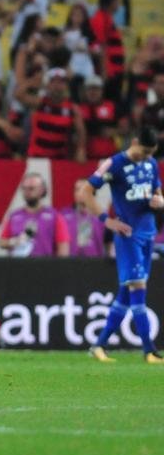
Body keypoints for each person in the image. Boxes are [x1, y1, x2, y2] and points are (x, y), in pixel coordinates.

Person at [84, 126, 164, 363]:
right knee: (138, 290)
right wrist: (106, 221)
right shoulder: (114, 163)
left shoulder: (150, 164)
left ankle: (99, 346)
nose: (147, 156)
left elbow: (157, 190)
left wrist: (159, 200)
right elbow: (87, 192)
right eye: (144, 151)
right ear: (135, 141)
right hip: (127, 235)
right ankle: (149, 350)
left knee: (126, 295)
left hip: (148, 234)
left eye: (152, 153)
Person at [0, 173, 70, 257]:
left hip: (44, 266)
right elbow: (1, 242)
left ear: (42, 190)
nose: (27, 192)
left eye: (31, 188)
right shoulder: (15, 216)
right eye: (24, 188)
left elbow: (63, 247)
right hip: (18, 266)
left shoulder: (54, 216)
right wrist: (14, 241)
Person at [60, 178, 107, 258]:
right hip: (70, 263)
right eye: (77, 190)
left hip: (96, 263)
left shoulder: (102, 215)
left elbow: (109, 242)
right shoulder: (64, 215)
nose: (80, 193)